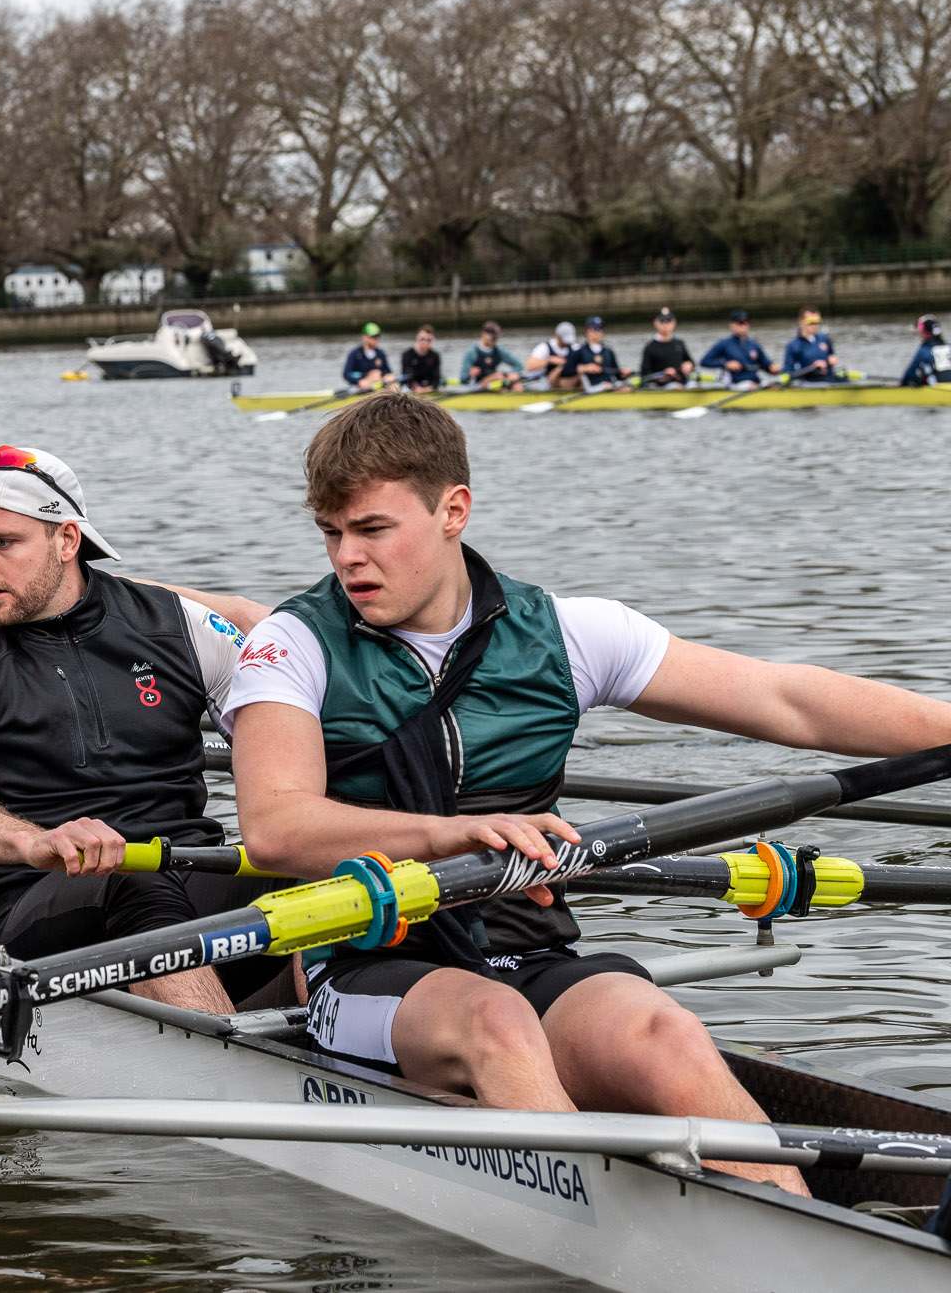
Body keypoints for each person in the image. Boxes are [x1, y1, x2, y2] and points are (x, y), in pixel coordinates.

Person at [222, 392, 951, 1193]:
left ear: (453, 509)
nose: (346, 558)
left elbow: (789, 700)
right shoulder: (290, 644)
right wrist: (454, 835)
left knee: (666, 1033)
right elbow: (275, 827)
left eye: (371, 530)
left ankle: (803, 1242)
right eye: (332, 533)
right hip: (359, 962)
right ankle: (603, 1229)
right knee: (497, 1026)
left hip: (528, 949)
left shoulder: (565, 633)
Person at [0, 446, 273, 1013]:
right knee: (131, 881)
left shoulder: (179, 626)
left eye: (3, 543)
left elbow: (286, 731)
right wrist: (31, 841)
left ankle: (339, 1041)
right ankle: (236, 1075)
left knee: (321, 864)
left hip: (191, 872)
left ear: (67, 541)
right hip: (43, 902)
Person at [699, 310, 774, 387]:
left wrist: (773, 369)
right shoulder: (723, 344)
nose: (745, 325)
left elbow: (766, 365)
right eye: (741, 323)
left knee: (774, 386)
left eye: (747, 322)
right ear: (732, 325)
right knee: (752, 386)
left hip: (755, 381)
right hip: (735, 383)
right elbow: (704, 361)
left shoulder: (754, 344)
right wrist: (726, 364)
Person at [554, 316, 626, 392]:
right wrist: (584, 368)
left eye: (601, 328)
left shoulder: (609, 351)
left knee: (627, 388)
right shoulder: (579, 351)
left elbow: (618, 376)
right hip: (590, 389)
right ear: (587, 331)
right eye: (595, 328)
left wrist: (624, 374)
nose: (598, 332)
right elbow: (565, 372)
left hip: (609, 387)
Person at [636, 308, 695, 387]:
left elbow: (691, 363)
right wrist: (662, 375)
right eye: (662, 321)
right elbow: (644, 376)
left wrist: (689, 365)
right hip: (662, 386)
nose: (665, 324)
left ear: (674, 322)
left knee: (693, 385)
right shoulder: (650, 347)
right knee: (675, 386)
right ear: (656, 323)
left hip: (683, 382)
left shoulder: (679, 343)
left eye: (668, 320)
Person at [459, 322, 523, 390]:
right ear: (483, 334)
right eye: (493, 338)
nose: (495, 340)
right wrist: (470, 375)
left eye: (496, 338)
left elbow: (518, 366)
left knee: (516, 383)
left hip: (495, 383)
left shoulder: (499, 351)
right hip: (478, 386)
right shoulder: (472, 352)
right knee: (498, 377)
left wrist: (510, 375)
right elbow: (463, 379)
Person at [780, 308, 838, 382]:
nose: (815, 325)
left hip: (828, 380)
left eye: (817, 322)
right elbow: (787, 373)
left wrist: (832, 360)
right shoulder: (792, 346)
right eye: (811, 322)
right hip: (807, 383)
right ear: (801, 322)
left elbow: (831, 356)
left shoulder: (825, 339)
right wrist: (813, 367)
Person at [900, 315, 951, 387]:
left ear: (924, 333)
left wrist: (900, 385)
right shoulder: (949, 347)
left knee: (915, 376)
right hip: (947, 388)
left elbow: (909, 373)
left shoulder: (924, 351)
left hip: (937, 389)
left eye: (921, 332)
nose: (919, 334)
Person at [341, 324, 392, 392]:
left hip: (378, 382)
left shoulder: (380, 353)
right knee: (372, 378)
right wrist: (360, 379)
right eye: (373, 337)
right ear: (364, 337)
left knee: (391, 378)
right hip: (361, 385)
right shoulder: (355, 354)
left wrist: (380, 372)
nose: (376, 340)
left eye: (377, 337)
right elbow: (347, 374)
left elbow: (387, 371)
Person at [398, 326, 441, 391]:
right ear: (417, 338)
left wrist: (431, 388)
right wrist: (416, 388)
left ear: (432, 340)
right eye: (422, 339)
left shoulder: (435, 356)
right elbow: (406, 376)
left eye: (428, 340)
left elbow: (436, 377)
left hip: (429, 389)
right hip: (411, 388)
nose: (425, 342)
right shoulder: (407, 355)